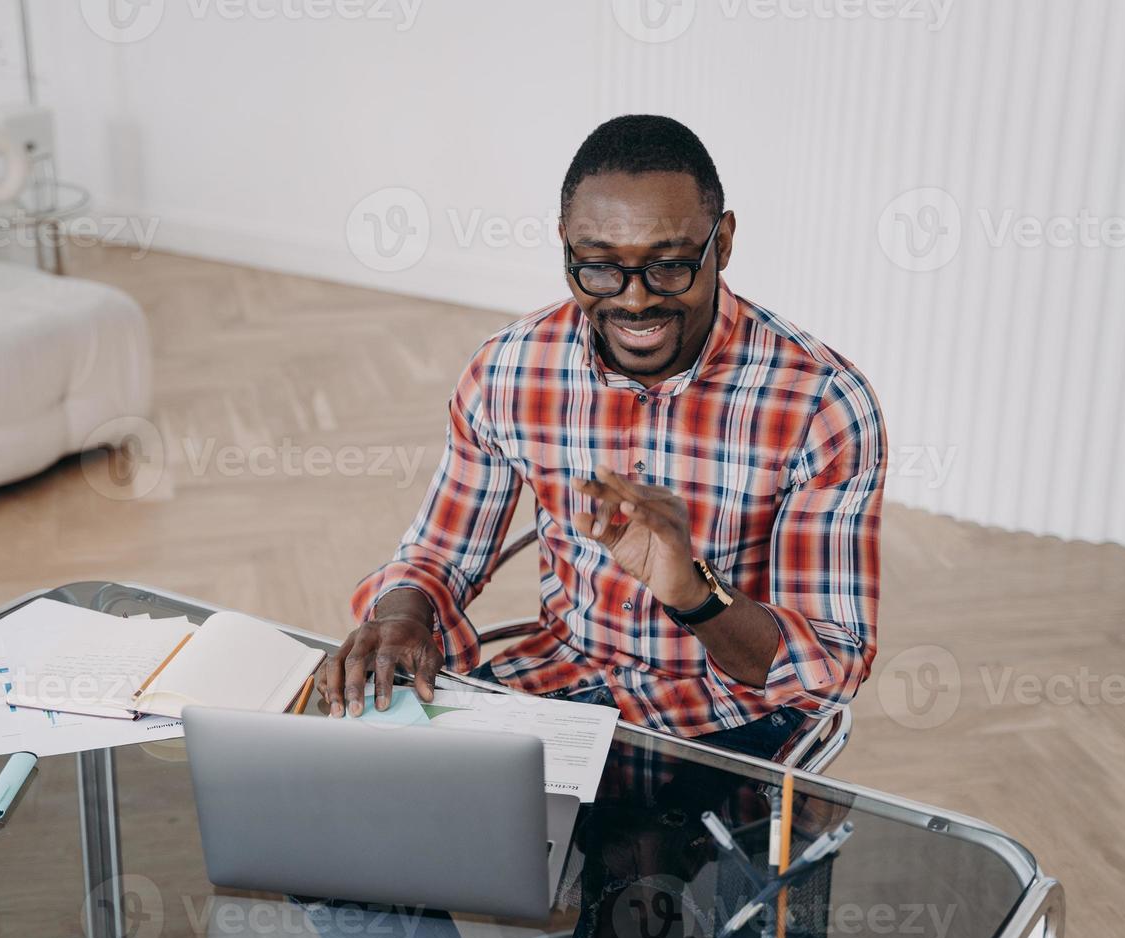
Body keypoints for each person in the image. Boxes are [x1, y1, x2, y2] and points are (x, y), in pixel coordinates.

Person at [323, 113, 886, 757]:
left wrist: (695, 595)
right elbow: (440, 555)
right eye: (598, 266)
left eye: (671, 264)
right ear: (564, 244)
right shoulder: (510, 370)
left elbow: (831, 664)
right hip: (558, 688)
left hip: (732, 721)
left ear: (722, 243)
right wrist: (401, 619)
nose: (636, 300)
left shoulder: (821, 402)